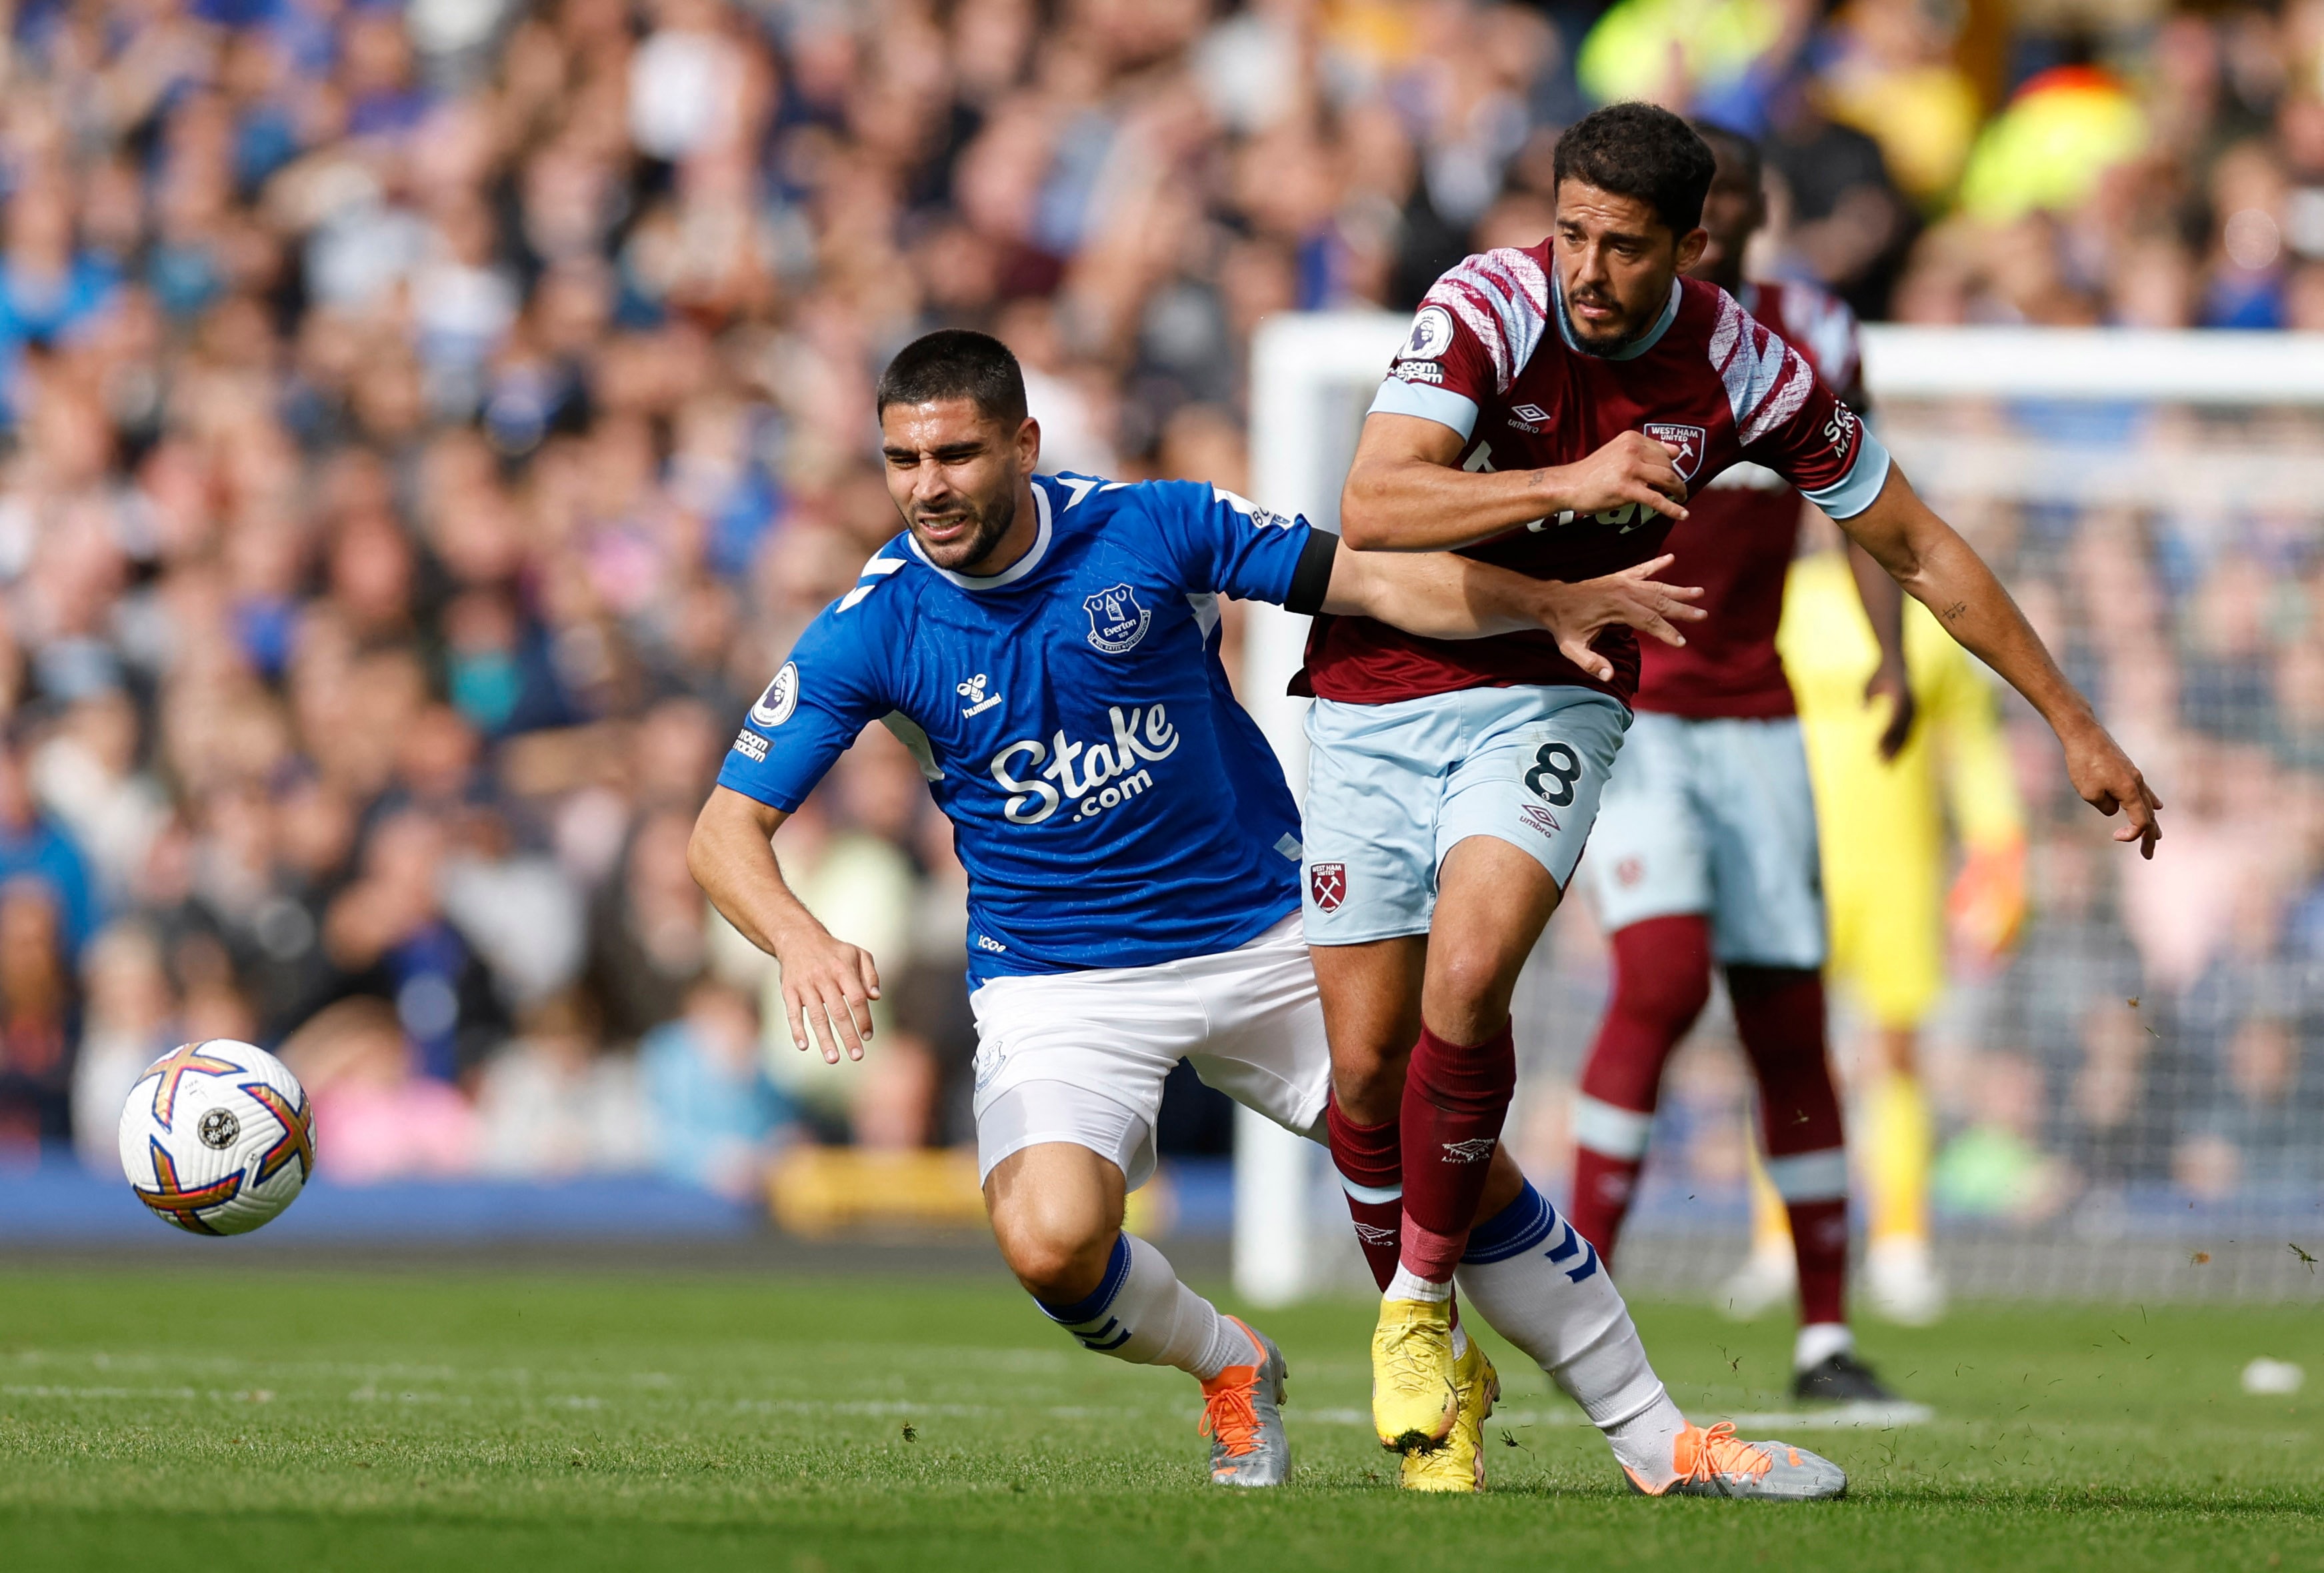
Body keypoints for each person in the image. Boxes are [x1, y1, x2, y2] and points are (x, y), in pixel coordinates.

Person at [692, 328, 1845, 1498]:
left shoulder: (1150, 527)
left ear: (1025, 444)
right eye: (902, 461)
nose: (927, 487)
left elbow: (1373, 577)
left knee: (1459, 1168)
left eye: (956, 454)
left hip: (1266, 937)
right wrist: (800, 937)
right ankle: (1230, 1366)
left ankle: (1661, 1442)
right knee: (1047, 1242)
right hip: (1060, 980)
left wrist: (1543, 603)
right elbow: (722, 831)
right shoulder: (871, 625)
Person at [1299, 102, 2159, 1467]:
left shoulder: (1752, 367)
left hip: (1558, 682)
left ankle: (1416, 1307)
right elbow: (1377, 501)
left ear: (1695, 247)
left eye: (1623, 248)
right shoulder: (1487, 303)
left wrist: (2073, 721)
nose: (1585, 269)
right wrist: (1571, 480)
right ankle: (1447, 1351)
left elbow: (1917, 544)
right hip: (1377, 690)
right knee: (1363, 1067)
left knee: (1476, 980)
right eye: (1570, 231)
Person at [1567, 120, 1915, 1402]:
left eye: (1748, 199)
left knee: (1786, 1018)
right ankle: (1577, 1287)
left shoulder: (1810, 333)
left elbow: (1865, 507)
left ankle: (1824, 1334)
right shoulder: (1594, 329)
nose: (1742, 220)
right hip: (1632, 713)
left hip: (1760, 717)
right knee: (1655, 983)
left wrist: (1887, 655)